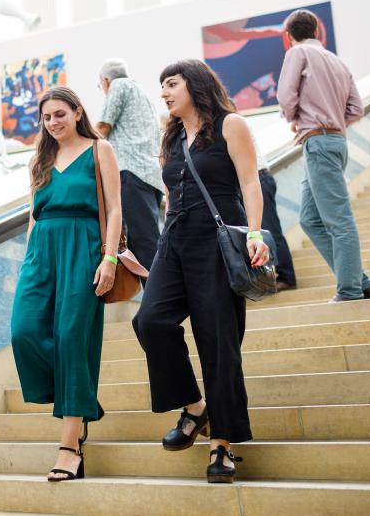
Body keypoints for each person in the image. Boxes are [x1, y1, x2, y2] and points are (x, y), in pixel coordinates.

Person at [132, 60, 268, 484]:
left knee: (217, 340)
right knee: (150, 320)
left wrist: (257, 232)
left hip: (217, 237)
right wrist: (154, 256)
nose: (165, 92)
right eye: (162, 86)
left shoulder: (232, 125)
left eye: (171, 83)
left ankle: (222, 444)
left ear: (195, 84)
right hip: (174, 240)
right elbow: (171, 195)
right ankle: (194, 406)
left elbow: (250, 182)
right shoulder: (170, 136)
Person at [10, 86, 121, 482]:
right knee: (23, 331)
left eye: (60, 114)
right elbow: (33, 216)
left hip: (85, 247)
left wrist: (109, 258)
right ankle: (78, 398)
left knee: (74, 338)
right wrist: (27, 262)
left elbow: (114, 207)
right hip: (41, 251)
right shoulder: (39, 159)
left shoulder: (99, 149)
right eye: (46, 117)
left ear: (77, 112)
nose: (53, 122)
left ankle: (70, 444)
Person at [277, 9, 370, 303]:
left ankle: (349, 291)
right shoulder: (337, 61)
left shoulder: (297, 54)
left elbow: (286, 97)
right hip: (334, 141)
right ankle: (362, 281)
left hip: (319, 142)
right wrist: (332, 122)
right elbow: (356, 109)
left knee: (338, 220)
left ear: (289, 35)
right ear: (317, 32)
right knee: (310, 219)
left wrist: (297, 118)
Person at [95, 58, 163, 274]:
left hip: (130, 172)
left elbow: (103, 127)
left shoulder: (119, 85)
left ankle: (161, 301)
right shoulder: (141, 93)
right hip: (150, 176)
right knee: (148, 239)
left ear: (105, 81)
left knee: (143, 243)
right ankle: (162, 298)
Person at [252, 137, 297, 290]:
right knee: (264, 232)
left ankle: (287, 277)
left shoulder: (232, 122)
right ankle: (271, 277)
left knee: (270, 231)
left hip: (258, 179)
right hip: (257, 179)